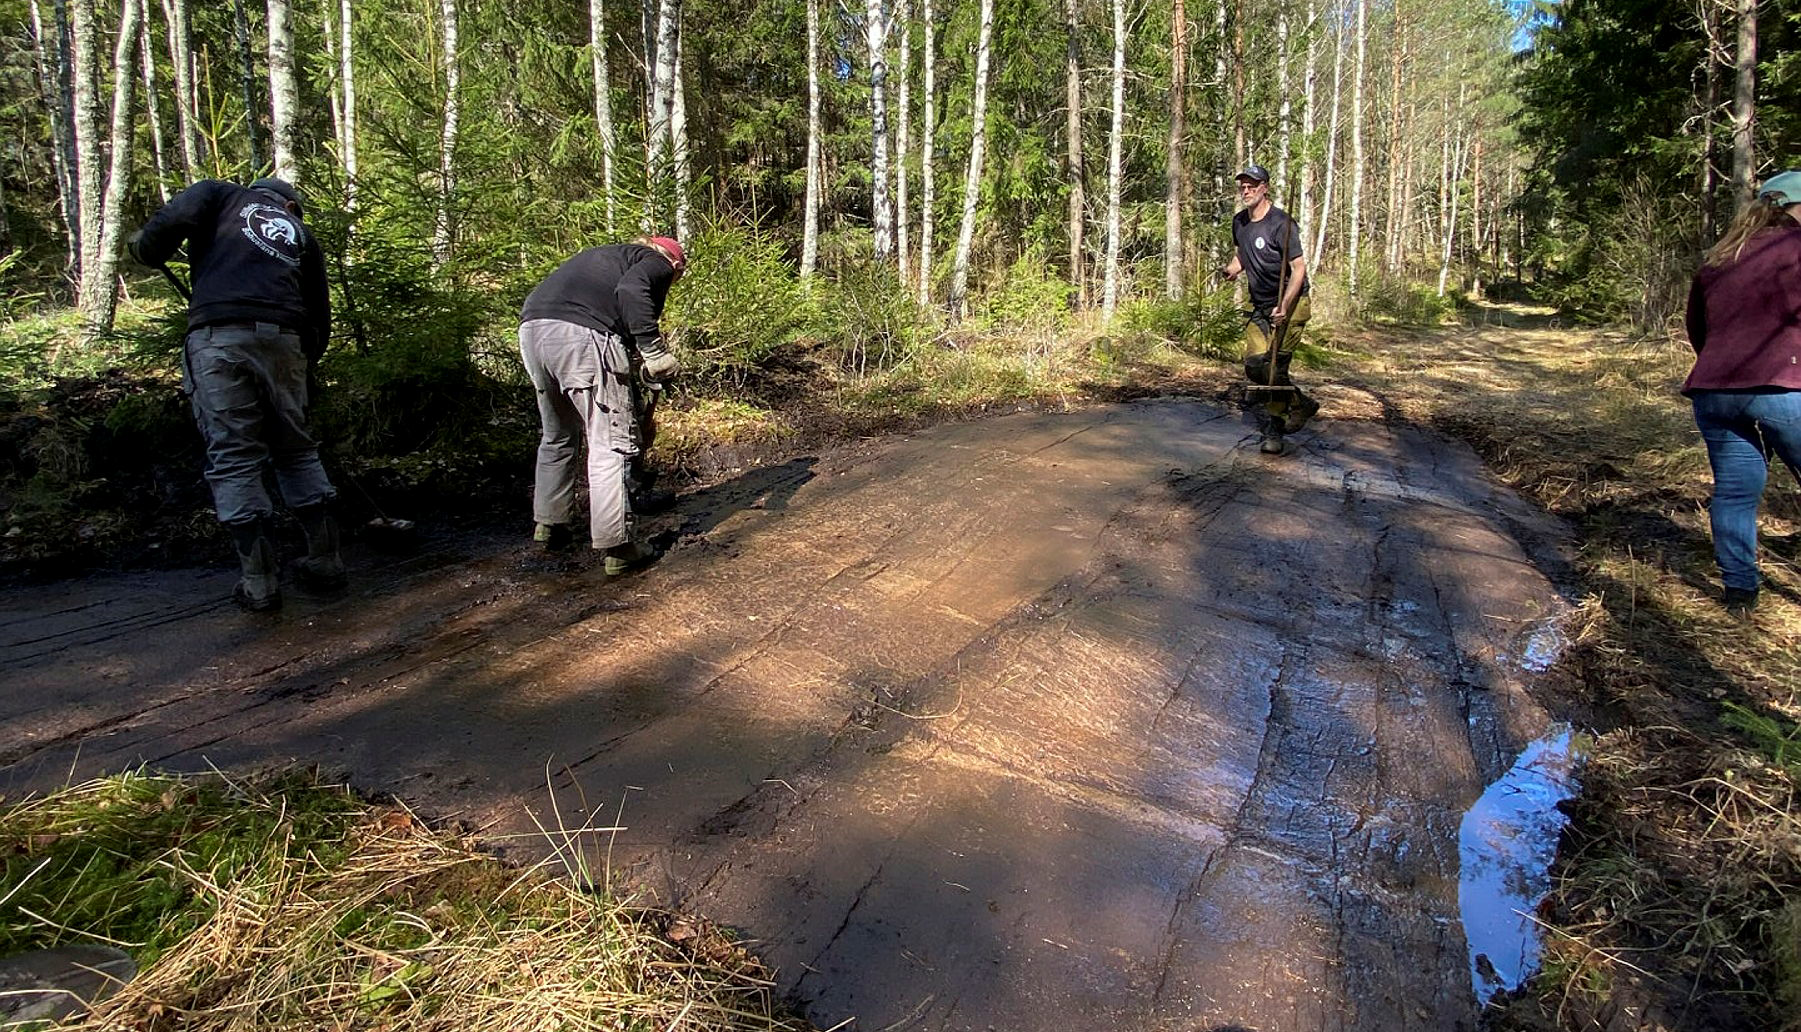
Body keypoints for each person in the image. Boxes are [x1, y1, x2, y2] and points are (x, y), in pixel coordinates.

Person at [128, 177, 341, 611]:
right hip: (286, 341)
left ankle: (261, 583)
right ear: (286, 203)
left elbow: (174, 219)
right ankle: (326, 560)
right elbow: (320, 312)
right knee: (297, 450)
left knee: (235, 456)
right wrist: (303, 363)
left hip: (219, 338)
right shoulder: (301, 233)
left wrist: (144, 248)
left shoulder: (219, 194)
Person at [519, 236, 685, 575]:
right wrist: (654, 351)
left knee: (558, 434)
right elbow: (631, 292)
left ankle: (550, 524)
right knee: (609, 442)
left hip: (533, 331)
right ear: (675, 263)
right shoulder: (657, 262)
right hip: (581, 335)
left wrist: (638, 360)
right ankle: (619, 546)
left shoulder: (604, 257)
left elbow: (614, 310)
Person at [1682, 169, 1801, 616]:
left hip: (1715, 389)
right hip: (1784, 385)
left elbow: (1698, 327)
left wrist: (1721, 366)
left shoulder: (1720, 257)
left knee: (1734, 493)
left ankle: (1740, 595)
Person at [1220, 163, 1319, 456]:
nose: (1246, 190)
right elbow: (1242, 254)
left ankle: (1274, 430)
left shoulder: (1282, 224)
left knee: (1275, 367)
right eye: (1243, 186)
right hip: (1261, 306)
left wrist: (1285, 306)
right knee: (1255, 366)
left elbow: (1298, 269)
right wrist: (1232, 270)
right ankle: (1301, 404)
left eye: (1252, 185)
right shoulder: (1239, 222)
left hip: (1292, 303)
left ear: (1265, 188)